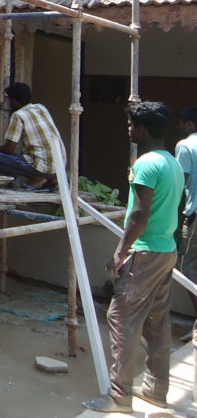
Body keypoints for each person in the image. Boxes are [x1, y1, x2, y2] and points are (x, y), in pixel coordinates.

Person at [83, 101, 183, 413]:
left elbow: (139, 214)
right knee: (156, 321)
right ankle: (155, 390)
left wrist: (120, 253)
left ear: (141, 129)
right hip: (165, 250)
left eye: (130, 125)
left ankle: (119, 397)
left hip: (145, 251)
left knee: (121, 318)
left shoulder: (146, 164)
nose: (128, 130)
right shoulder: (172, 162)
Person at [0, 82, 64, 191]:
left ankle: (36, 178)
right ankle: (51, 179)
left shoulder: (18, 115)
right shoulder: (40, 107)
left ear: (14, 101)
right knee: (24, 157)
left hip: (42, 166)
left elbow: (9, 149)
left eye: (8, 100)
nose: (7, 102)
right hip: (59, 165)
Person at [175, 107, 197, 315]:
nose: (178, 128)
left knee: (185, 268)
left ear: (189, 124)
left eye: (180, 124)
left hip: (195, 214)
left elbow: (179, 181)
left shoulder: (185, 145)